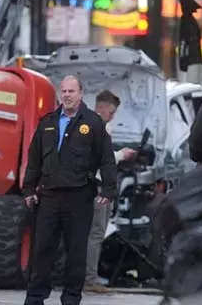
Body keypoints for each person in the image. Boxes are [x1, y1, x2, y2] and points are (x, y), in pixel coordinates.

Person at [23, 76, 117, 305]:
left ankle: (71, 299)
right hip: (50, 196)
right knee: (42, 249)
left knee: (75, 252)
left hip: (79, 197)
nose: (66, 95)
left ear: (81, 93)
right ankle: (35, 298)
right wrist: (28, 189)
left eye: (71, 91)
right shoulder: (47, 122)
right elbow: (34, 158)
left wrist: (108, 188)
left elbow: (106, 159)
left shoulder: (93, 123)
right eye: (63, 91)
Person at [85, 89, 136, 293]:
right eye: (111, 112)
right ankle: (90, 280)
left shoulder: (97, 126)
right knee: (96, 234)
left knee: (92, 233)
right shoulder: (97, 128)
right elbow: (99, 159)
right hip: (97, 188)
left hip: (98, 186)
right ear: (100, 108)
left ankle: (86, 277)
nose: (113, 117)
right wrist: (121, 155)